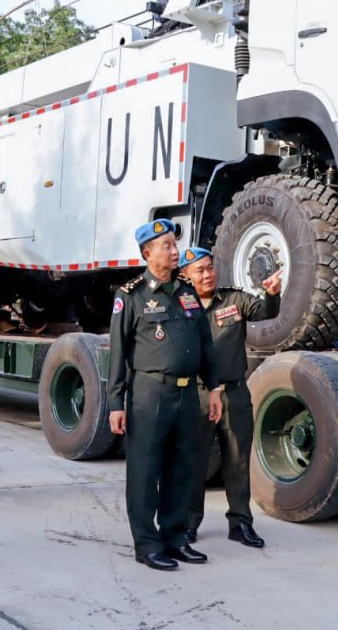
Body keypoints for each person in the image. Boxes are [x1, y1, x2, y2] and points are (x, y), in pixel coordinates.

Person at [107, 219, 221, 571]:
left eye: (174, 244)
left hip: (187, 394)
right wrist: (115, 403)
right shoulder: (131, 295)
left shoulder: (186, 291)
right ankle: (147, 544)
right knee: (145, 471)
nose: (175, 252)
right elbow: (117, 353)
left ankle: (175, 537)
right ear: (147, 253)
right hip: (149, 394)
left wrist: (214, 387)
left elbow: (205, 341)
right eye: (166, 246)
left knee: (182, 468)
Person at [179, 246, 282, 548]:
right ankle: (188, 524)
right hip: (197, 395)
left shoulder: (233, 300)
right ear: (185, 276)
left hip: (233, 394)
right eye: (199, 270)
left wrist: (272, 293)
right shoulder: (180, 306)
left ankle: (240, 523)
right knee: (195, 463)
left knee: (237, 462)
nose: (207, 275)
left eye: (210, 268)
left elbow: (266, 312)